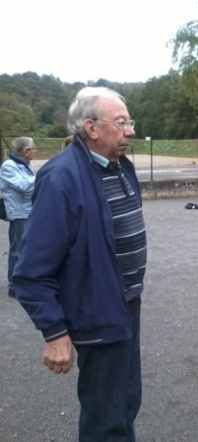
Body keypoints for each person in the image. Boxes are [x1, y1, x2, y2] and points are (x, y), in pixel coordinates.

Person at [13, 86, 147, 441]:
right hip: (97, 313)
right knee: (106, 418)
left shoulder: (118, 166)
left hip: (125, 306)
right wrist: (55, 333)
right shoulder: (61, 179)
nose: (130, 130)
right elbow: (31, 271)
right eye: (121, 122)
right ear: (92, 128)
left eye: (129, 121)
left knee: (127, 401)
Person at [0, 137, 36, 298]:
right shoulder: (9, 166)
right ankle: (13, 285)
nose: (35, 151)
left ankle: (27, 280)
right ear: (25, 151)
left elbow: (30, 186)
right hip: (19, 213)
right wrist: (41, 178)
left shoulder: (27, 165)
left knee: (29, 248)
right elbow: (24, 187)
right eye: (33, 148)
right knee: (17, 249)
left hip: (29, 210)